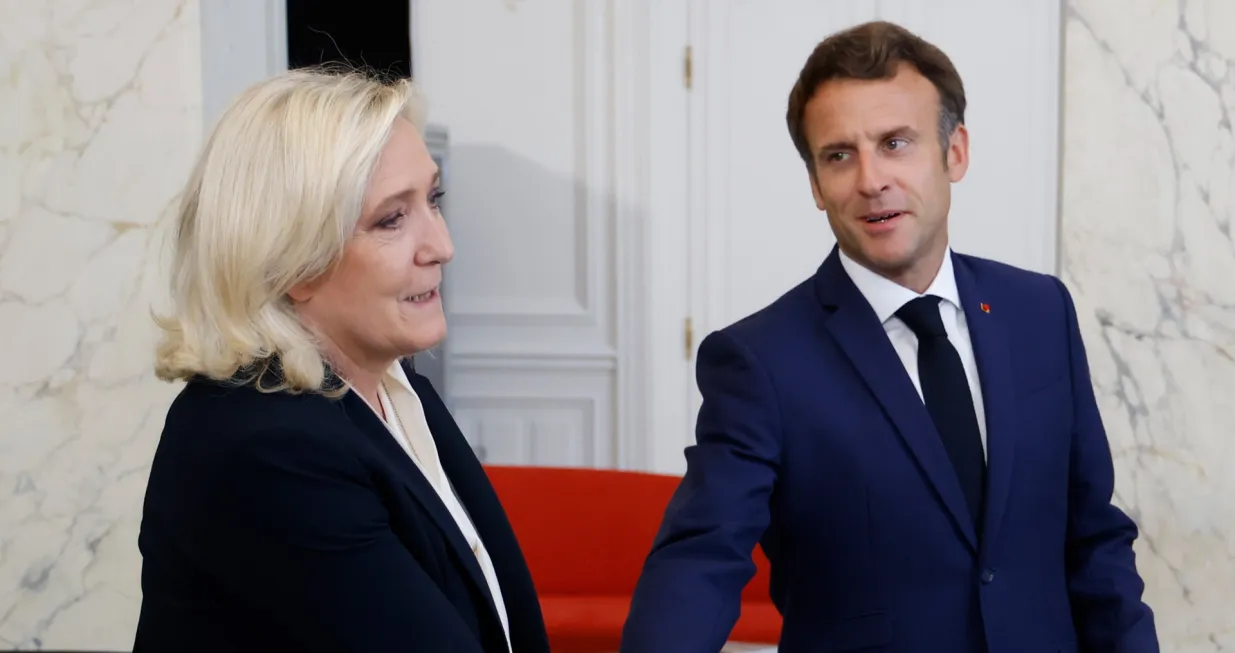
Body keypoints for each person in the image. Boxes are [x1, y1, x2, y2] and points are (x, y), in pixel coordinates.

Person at [620, 20, 1158, 653]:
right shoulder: (760, 361)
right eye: (839, 155)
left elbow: (1093, 538)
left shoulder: (1039, 311)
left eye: (896, 143)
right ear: (817, 185)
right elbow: (702, 560)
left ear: (954, 152)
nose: (871, 179)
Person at [133, 68, 549, 653]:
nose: (442, 246)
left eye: (433, 200)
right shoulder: (264, 445)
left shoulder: (398, 389)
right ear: (295, 261)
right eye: (391, 219)